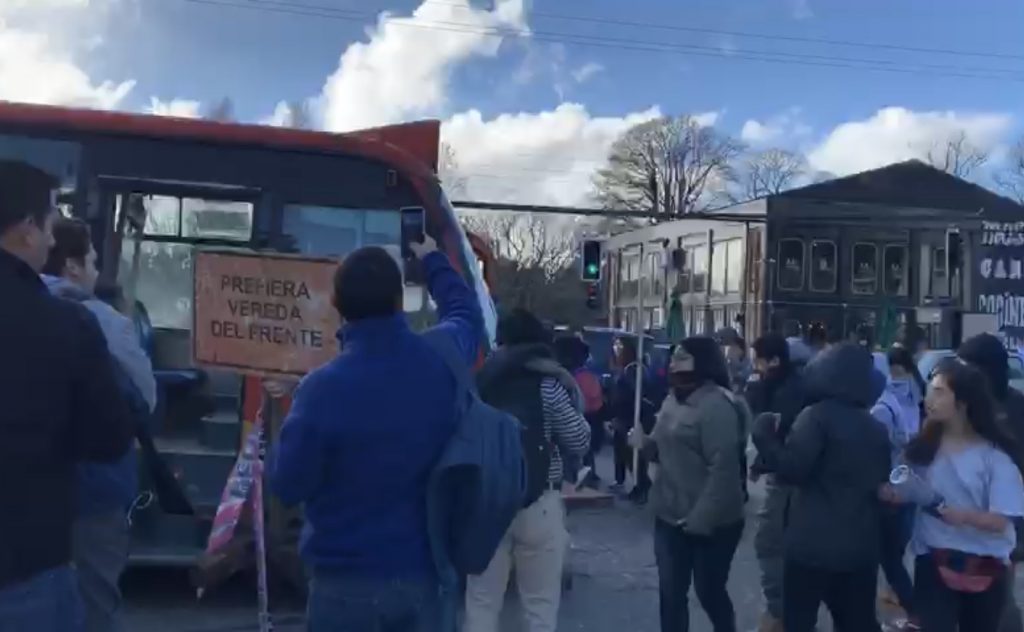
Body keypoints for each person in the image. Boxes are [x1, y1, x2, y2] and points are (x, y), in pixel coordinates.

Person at [269, 235, 483, 631]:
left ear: (337, 307)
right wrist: (432, 259)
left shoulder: (319, 390)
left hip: (343, 585)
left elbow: (288, 485)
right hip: (425, 578)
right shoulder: (442, 360)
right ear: (400, 301)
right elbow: (467, 315)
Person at [0, 160, 134, 630]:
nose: (54, 243)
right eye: (50, 227)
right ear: (26, 229)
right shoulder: (70, 324)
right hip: (24, 568)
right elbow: (110, 438)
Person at [41, 218, 157, 632]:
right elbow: (143, 402)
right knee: (94, 597)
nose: (93, 271)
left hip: (24, 485)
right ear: (72, 266)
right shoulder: (106, 322)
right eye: (91, 261)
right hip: (95, 487)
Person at [462, 309, 590, 632]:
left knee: (481, 601)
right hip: (539, 500)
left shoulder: (480, 382)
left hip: (486, 501)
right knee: (540, 606)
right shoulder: (548, 383)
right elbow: (578, 439)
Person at [751, 343, 891, 632]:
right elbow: (880, 482)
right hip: (859, 547)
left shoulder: (816, 417)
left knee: (800, 621)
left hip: (810, 546)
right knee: (857, 623)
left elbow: (793, 469)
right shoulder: (876, 428)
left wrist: (765, 438)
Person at [630, 337, 748, 632]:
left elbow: (723, 470)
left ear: (703, 361)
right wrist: (642, 443)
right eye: (673, 356)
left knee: (709, 591)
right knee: (671, 593)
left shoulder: (716, 406)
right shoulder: (672, 398)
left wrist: (700, 519)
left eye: (682, 357)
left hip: (713, 522)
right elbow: (660, 447)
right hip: (670, 515)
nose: (673, 362)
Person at [899, 359, 1024, 632]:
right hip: (933, 560)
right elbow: (905, 488)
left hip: (983, 567)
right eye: (930, 390)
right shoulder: (923, 448)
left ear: (963, 402)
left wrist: (961, 515)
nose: (929, 399)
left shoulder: (995, 457)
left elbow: (1001, 520)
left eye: (939, 391)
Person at [957, 334, 1024, 632]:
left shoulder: (1015, 410)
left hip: (1000, 521)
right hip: (963, 519)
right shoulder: (961, 406)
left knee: (996, 598)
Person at [745, 333, 807, 632]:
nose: (753, 366)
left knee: (769, 544)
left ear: (774, 360)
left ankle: (781, 615)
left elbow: (778, 439)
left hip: (787, 482)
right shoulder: (786, 384)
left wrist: (764, 452)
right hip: (787, 477)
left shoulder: (786, 392)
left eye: (757, 360)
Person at [870, 351, 918, 630]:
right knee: (892, 556)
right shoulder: (899, 399)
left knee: (888, 559)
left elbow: (874, 453)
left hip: (890, 490)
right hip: (903, 485)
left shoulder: (880, 410)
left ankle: (914, 612)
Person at [554, 333, 605, 486]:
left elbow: (591, 403)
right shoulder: (585, 376)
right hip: (587, 422)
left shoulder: (574, 377)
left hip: (584, 421)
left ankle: (586, 479)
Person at [609, 335, 656, 503]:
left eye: (620, 346)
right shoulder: (625, 369)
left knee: (632, 454)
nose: (616, 349)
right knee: (623, 453)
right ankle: (637, 484)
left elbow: (635, 395)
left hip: (632, 418)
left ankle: (642, 486)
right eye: (615, 346)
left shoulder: (634, 369)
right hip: (623, 417)